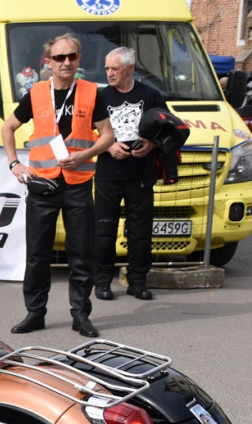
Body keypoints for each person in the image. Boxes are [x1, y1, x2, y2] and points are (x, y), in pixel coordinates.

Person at [0, 33, 114, 338]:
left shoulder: (91, 93)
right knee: (37, 254)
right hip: (41, 184)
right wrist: (14, 163)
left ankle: (80, 315)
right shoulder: (36, 93)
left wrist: (85, 155)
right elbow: (8, 127)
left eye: (72, 57)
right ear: (49, 62)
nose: (66, 63)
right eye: (59, 57)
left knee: (81, 254)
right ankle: (35, 313)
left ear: (79, 59)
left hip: (78, 183)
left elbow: (107, 136)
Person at [92, 46, 166, 302]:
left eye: (114, 68)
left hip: (140, 174)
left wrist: (152, 145)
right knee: (104, 230)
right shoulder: (100, 97)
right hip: (108, 174)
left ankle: (137, 282)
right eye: (107, 69)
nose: (109, 73)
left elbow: (168, 127)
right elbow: (87, 130)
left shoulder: (150, 95)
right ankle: (102, 282)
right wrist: (108, 145)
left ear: (130, 68)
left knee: (141, 232)